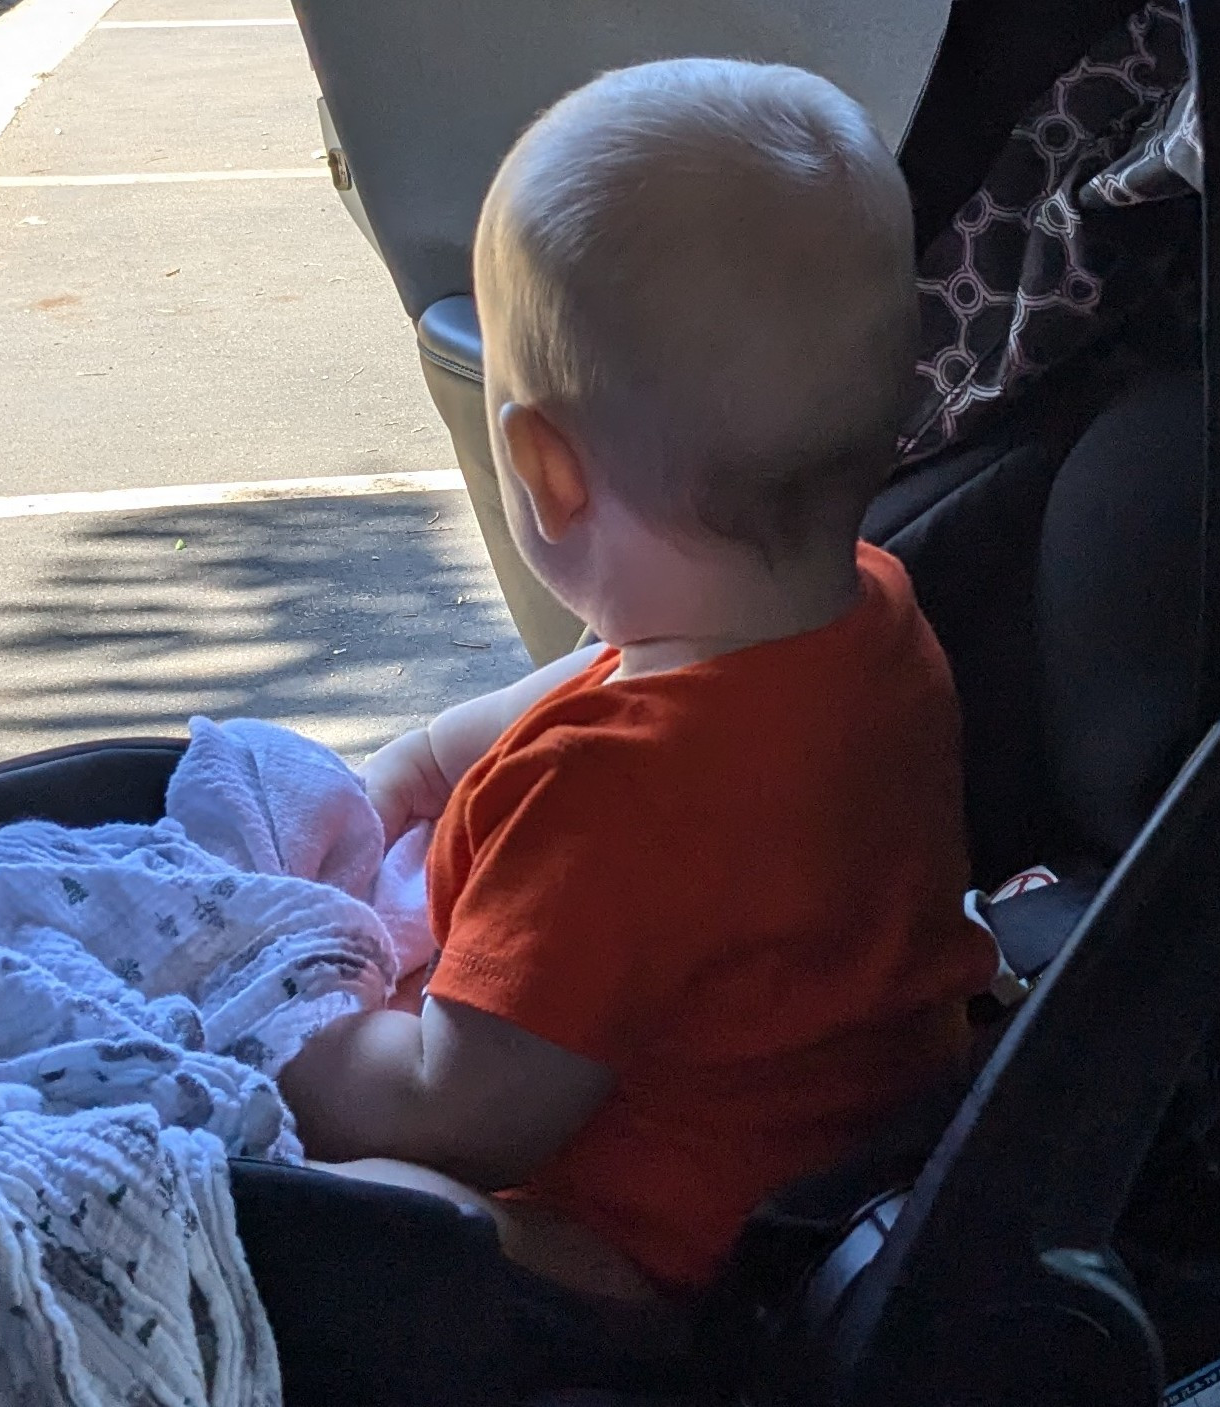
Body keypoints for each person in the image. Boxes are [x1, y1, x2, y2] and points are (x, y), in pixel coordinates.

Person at [278, 57, 998, 1303]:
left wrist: (286, 1025)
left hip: (664, 1256)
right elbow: (520, 714)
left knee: (368, 1210)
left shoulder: (612, 801)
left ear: (542, 472)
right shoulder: (867, 608)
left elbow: (457, 1116)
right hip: (846, 1150)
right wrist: (388, 781)